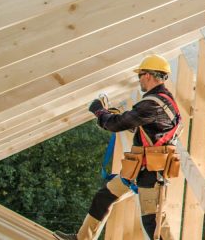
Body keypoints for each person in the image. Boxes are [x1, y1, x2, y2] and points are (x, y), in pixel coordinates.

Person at [54, 54, 182, 240]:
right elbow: (151, 131)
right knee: (104, 197)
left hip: (150, 173)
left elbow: (115, 124)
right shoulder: (166, 102)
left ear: (147, 75)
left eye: (140, 75)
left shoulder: (152, 104)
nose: (139, 80)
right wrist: (124, 119)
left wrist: (99, 111)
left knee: (153, 222)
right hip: (140, 168)